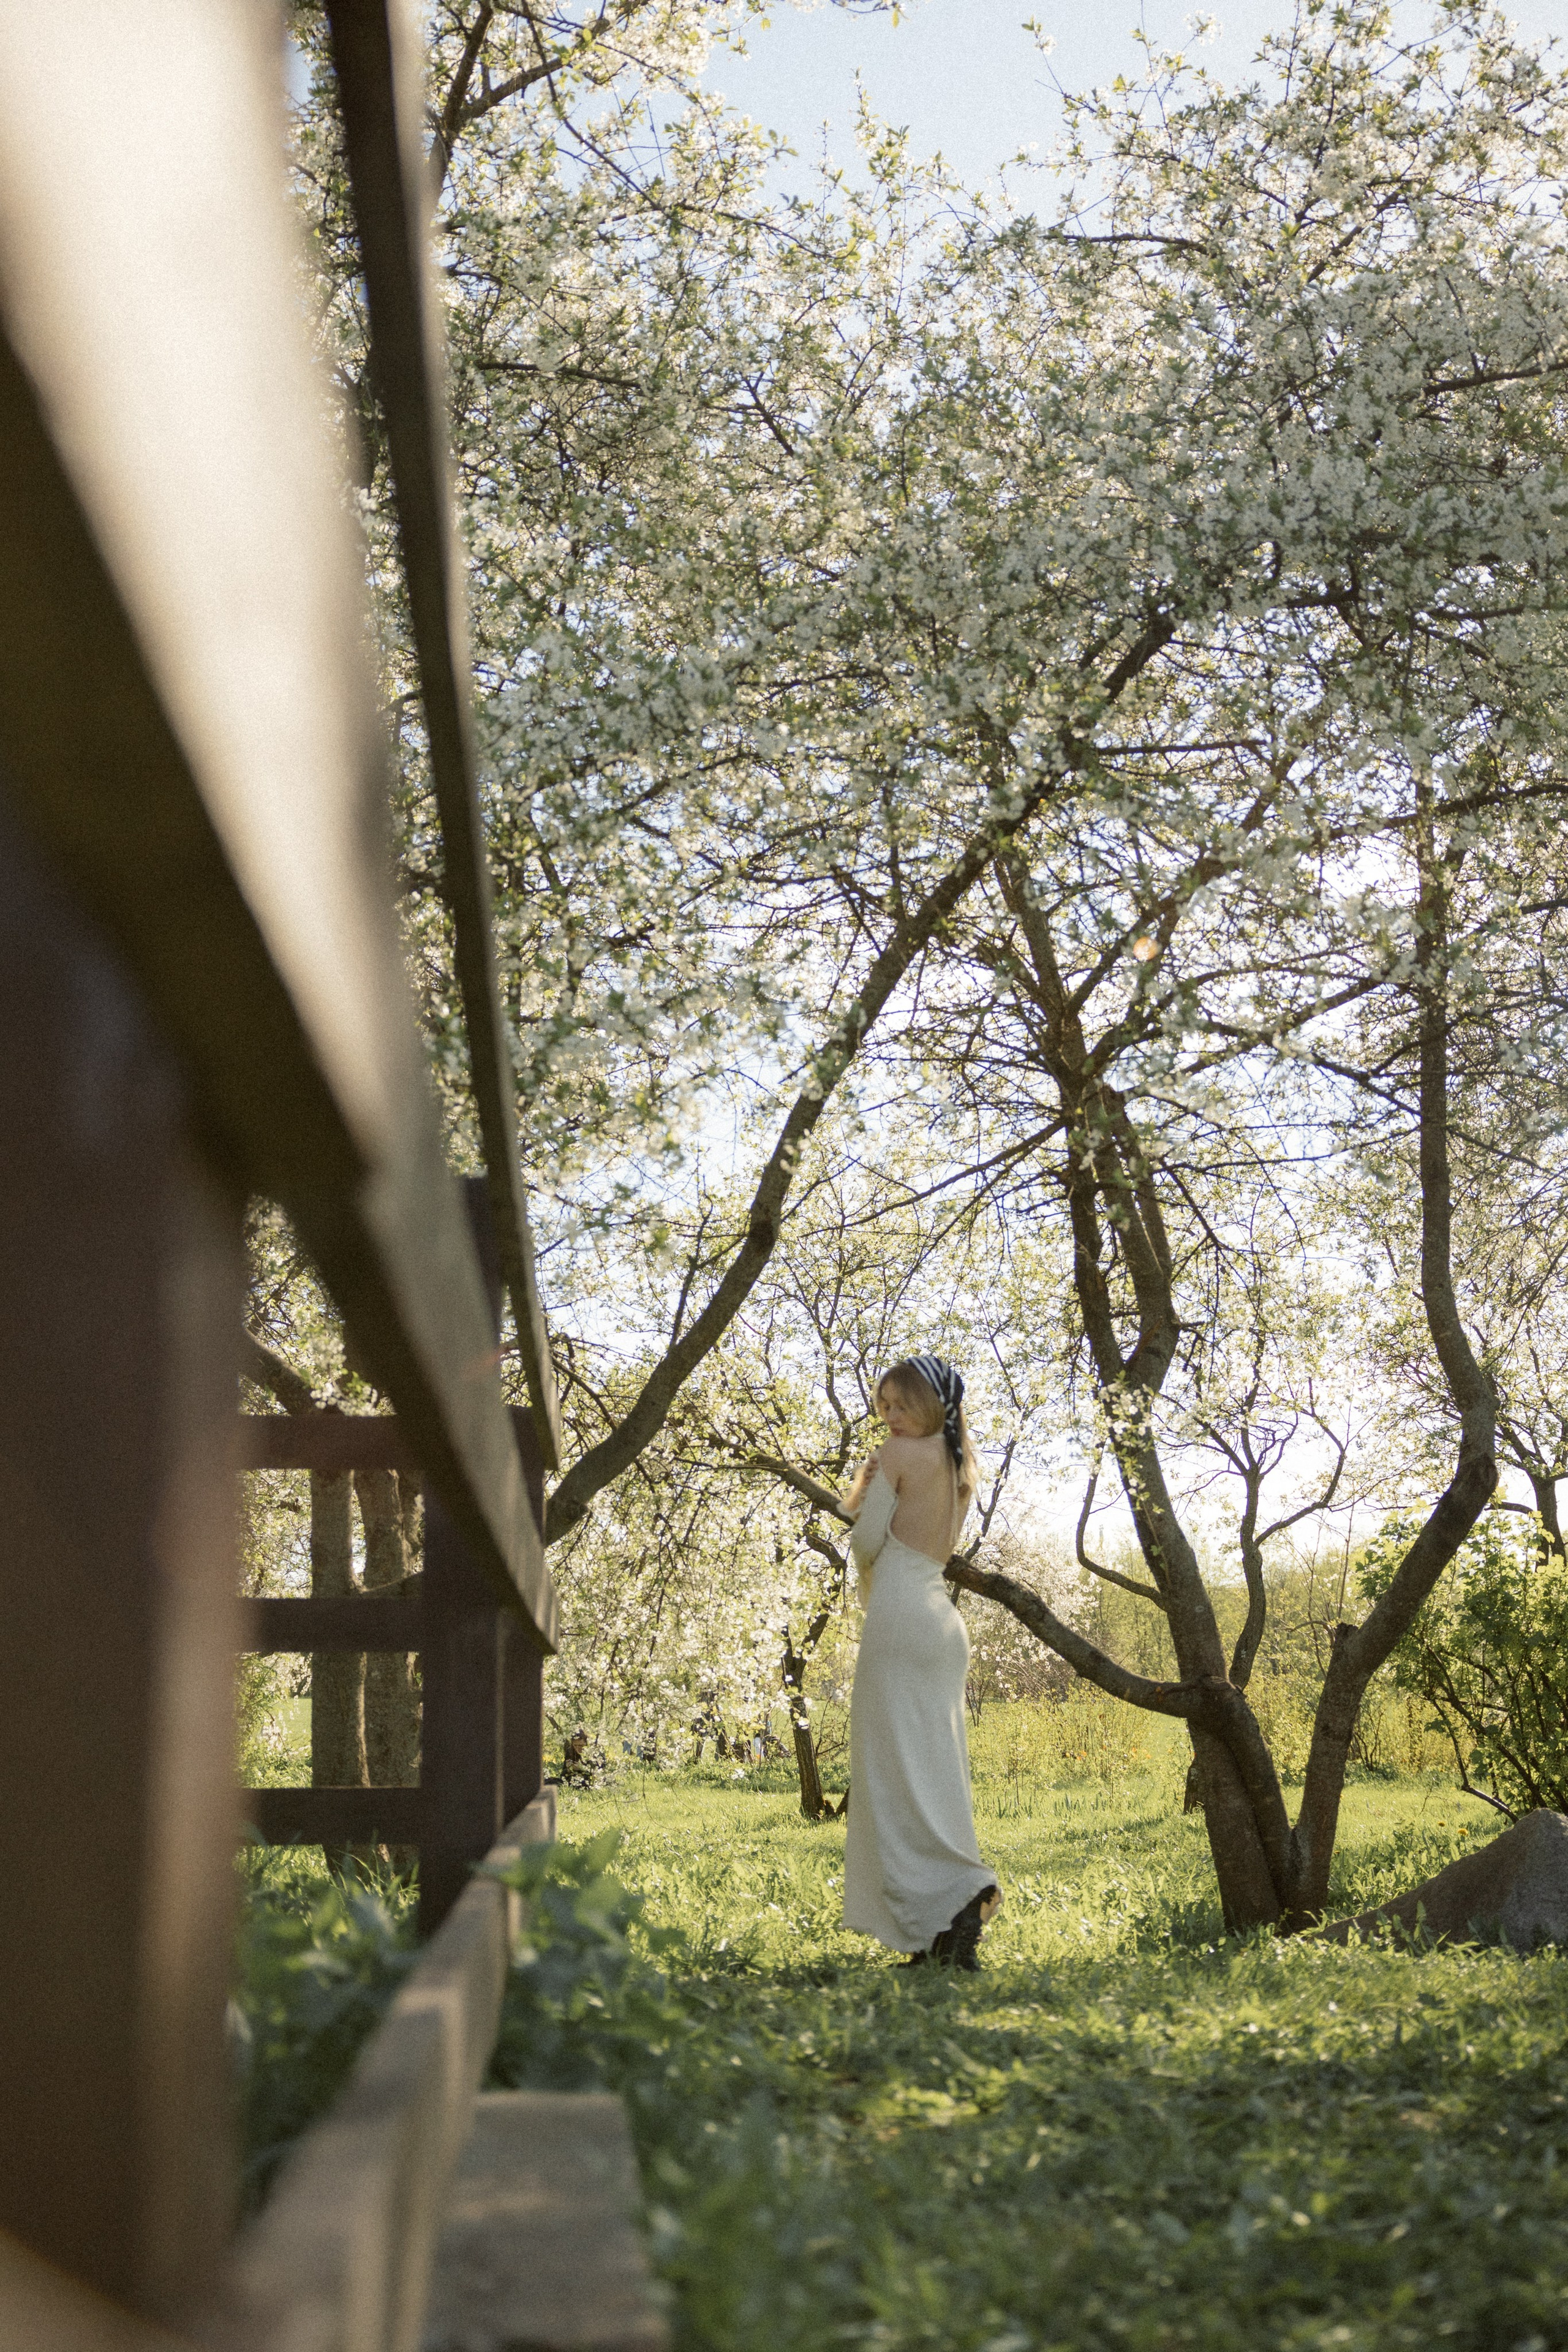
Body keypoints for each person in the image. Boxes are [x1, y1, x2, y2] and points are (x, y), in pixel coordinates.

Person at [841, 1354, 1000, 1970]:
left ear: (931, 1403)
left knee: (893, 1774)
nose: (890, 1417)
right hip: (941, 1622)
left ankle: (952, 1896)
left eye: (901, 1405)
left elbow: (865, 1541)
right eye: (883, 1406)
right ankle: (943, 1922)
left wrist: (865, 1496)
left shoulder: (898, 1455)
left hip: (901, 1618)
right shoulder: (960, 1464)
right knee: (934, 1770)